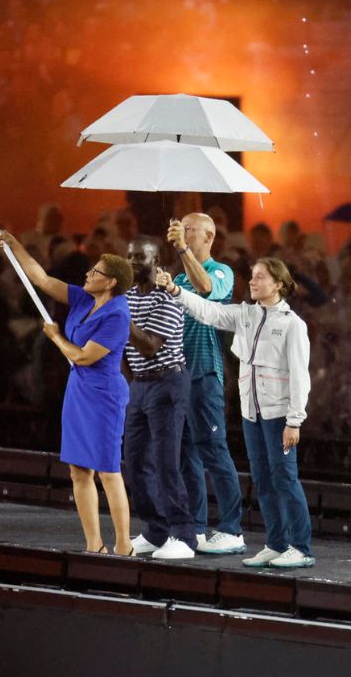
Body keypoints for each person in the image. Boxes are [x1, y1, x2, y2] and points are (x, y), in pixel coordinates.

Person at [157, 257, 315, 568]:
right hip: (251, 415)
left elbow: (300, 375)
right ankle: (276, 543)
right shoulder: (247, 315)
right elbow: (209, 311)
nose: (252, 282)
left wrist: (295, 420)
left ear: (279, 284)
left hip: (279, 417)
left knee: (285, 478)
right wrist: (176, 290)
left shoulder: (292, 325)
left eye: (260, 277)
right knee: (263, 479)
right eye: (252, 276)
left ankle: (301, 547)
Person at [0, 230, 134, 556]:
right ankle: (93, 545)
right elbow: (41, 279)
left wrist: (55, 337)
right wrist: (15, 246)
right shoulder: (84, 298)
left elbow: (85, 355)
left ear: (111, 282)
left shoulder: (117, 314)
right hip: (79, 390)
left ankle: (124, 545)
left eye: (95, 271)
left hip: (104, 394)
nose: (88, 274)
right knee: (78, 469)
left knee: (108, 471)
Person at [167, 213, 246, 555]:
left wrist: (182, 250)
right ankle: (196, 527)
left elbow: (207, 290)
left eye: (189, 229)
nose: (182, 233)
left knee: (214, 451)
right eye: (180, 228)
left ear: (208, 235)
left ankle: (231, 528)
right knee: (187, 456)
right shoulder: (178, 278)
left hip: (205, 374)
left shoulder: (220, 271)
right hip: (177, 376)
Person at [124, 236, 195, 560]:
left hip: (167, 382)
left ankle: (184, 535)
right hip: (139, 385)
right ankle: (156, 530)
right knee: (136, 462)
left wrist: (118, 315)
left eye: (139, 257)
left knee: (167, 461)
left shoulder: (168, 297)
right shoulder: (126, 296)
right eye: (129, 256)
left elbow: (150, 345)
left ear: (156, 261)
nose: (131, 263)